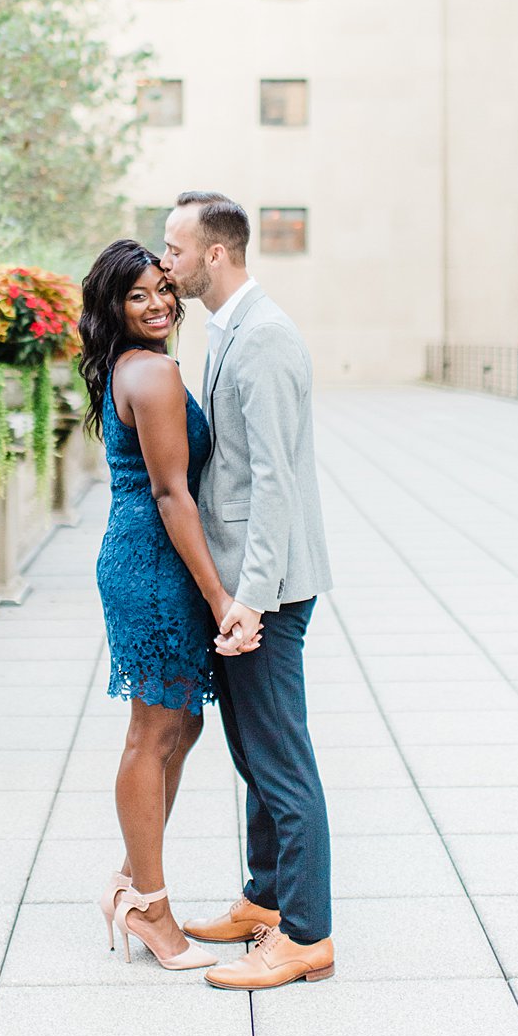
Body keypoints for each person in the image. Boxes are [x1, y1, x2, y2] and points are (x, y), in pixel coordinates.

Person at [161, 190, 335, 990]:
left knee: (280, 762)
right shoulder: (230, 329)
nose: (167, 263)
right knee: (254, 756)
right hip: (242, 585)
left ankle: (304, 935)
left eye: (176, 249)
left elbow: (271, 483)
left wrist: (249, 601)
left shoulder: (262, 339)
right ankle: (265, 901)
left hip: (260, 592)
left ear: (216, 255)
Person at [78, 239, 253, 970]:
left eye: (161, 290)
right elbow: (171, 493)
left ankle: (128, 879)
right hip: (153, 565)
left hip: (155, 559)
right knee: (153, 732)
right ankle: (150, 905)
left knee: (183, 725)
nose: (157, 305)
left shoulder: (136, 366)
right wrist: (221, 599)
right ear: (114, 309)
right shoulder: (150, 372)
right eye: (137, 297)